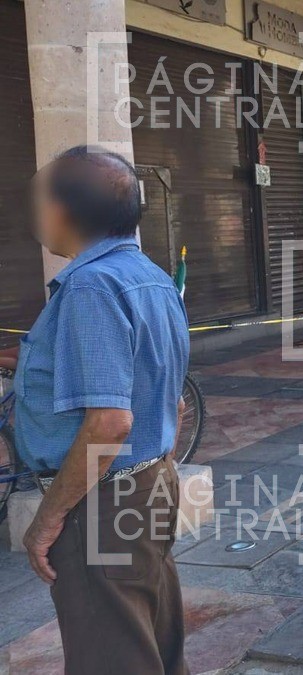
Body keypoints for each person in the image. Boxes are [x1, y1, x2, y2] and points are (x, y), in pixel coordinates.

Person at [14, 146, 190, 674]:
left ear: (64, 212)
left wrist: (47, 519)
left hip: (103, 503)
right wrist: (156, 469)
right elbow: (173, 401)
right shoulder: (153, 278)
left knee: (110, 656)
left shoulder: (90, 287)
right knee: (153, 641)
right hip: (147, 483)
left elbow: (110, 421)